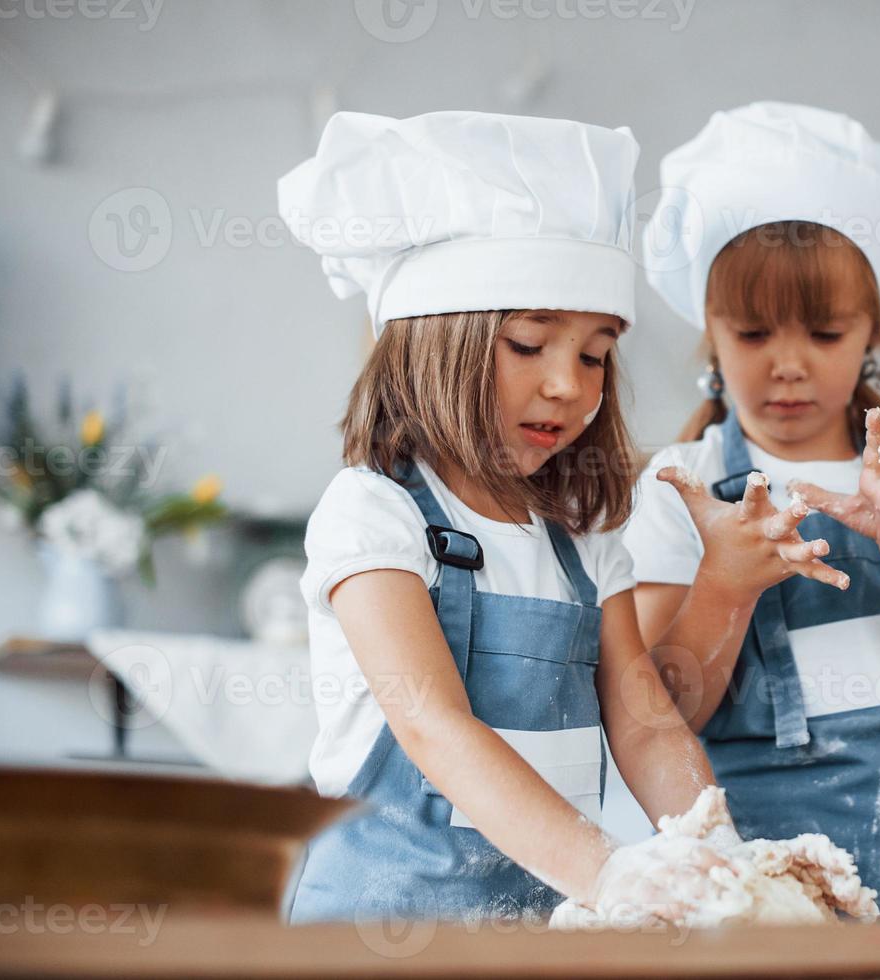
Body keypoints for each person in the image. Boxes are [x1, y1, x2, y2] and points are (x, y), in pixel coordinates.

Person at [279, 110, 728, 925]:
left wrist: (721, 866)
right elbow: (433, 725)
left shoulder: (585, 540)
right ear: (433, 346)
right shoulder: (374, 514)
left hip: (532, 936)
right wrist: (612, 874)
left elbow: (646, 722)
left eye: (594, 354)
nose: (569, 384)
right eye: (530, 344)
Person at [625, 102, 880, 917]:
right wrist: (725, 587)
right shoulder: (683, 485)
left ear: (871, 330)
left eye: (826, 332)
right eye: (755, 332)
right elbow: (661, 710)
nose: (789, 365)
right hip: (747, 903)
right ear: (711, 332)